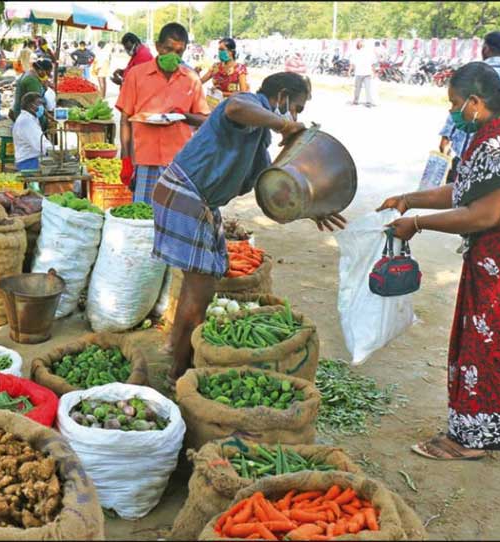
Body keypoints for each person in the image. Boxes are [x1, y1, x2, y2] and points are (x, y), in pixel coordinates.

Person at [378, 62, 500, 459]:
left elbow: (482, 213)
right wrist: (410, 198)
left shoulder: (499, 140)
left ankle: (469, 442)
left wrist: (417, 223)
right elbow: (467, 190)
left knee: (491, 342)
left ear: (477, 102)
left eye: (455, 104)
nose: (452, 113)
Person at [151, 72, 347, 382]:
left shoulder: (259, 138)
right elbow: (233, 108)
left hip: (197, 201)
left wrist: (310, 208)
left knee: (199, 285)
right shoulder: (246, 105)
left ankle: (176, 349)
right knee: (198, 293)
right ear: (280, 96)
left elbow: (269, 186)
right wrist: (284, 123)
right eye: (295, 108)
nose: (295, 116)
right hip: (185, 195)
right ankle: (180, 373)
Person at [115, 23, 210, 204]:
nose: (173, 55)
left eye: (179, 52)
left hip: (179, 162)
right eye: (168, 49)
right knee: (144, 217)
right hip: (144, 160)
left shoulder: (191, 79)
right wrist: (125, 159)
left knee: (175, 218)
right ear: (158, 47)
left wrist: (184, 116)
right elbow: (125, 120)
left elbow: (204, 119)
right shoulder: (136, 75)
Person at [439, 31, 500, 183]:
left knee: (459, 197)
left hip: (468, 153)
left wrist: (447, 136)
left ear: (485, 48)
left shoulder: (475, 73)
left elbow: (459, 106)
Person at [12, 93, 50, 171]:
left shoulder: (30, 118)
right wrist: (58, 152)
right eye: (39, 104)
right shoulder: (27, 122)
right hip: (29, 162)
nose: (41, 107)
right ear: (31, 105)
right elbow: (40, 144)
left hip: (32, 158)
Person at [350, 40, 377, 107]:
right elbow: (352, 63)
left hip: (367, 73)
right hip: (359, 73)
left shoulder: (369, 53)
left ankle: (368, 101)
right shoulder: (356, 53)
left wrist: (374, 72)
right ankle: (356, 100)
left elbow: (372, 63)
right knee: (357, 88)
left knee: (368, 88)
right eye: (360, 43)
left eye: (362, 43)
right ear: (358, 45)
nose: (362, 44)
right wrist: (349, 71)